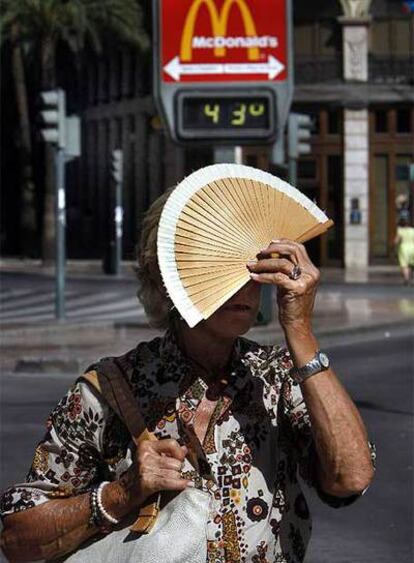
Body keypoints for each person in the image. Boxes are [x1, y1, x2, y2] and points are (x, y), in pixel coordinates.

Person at [0, 188, 375, 563]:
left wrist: (300, 331)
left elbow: (350, 477)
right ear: (166, 277)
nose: (245, 282)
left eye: (258, 263)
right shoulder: (109, 388)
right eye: (222, 266)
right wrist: (122, 493)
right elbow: (18, 538)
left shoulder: (278, 378)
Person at [394, 216, 414, 285]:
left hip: (404, 248)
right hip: (412, 248)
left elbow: (396, 241)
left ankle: (406, 278)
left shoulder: (400, 231)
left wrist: (395, 244)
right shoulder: (413, 230)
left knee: (404, 264)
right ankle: (410, 277)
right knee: (410, 264)